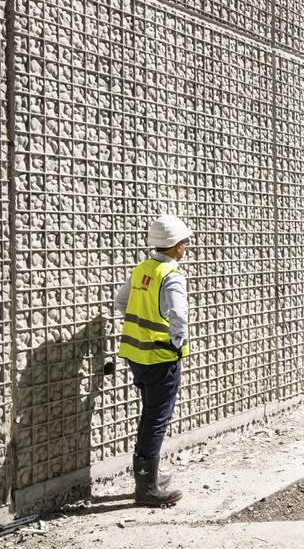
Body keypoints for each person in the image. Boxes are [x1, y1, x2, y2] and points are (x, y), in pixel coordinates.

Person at [115, 215, 192, 506]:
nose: (186, 247)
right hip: (161, 356)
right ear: (174, 247)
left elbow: (121, 303)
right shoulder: (170, 276)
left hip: (137, 356)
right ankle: (147, 489)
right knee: (157, 419)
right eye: (184, 243)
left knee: (150, 415)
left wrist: (142, 328)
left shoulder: (141, 270)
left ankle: (149, 477)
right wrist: (176, 343)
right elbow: (179, 316)